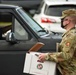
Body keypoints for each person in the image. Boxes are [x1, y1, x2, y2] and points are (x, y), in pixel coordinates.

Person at [38, 9, 76, 75]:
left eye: (62, 20)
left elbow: (66, 55)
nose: (61, 22)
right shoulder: (69, 34)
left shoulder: (71, 36)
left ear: (67, 21)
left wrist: (47, 56)